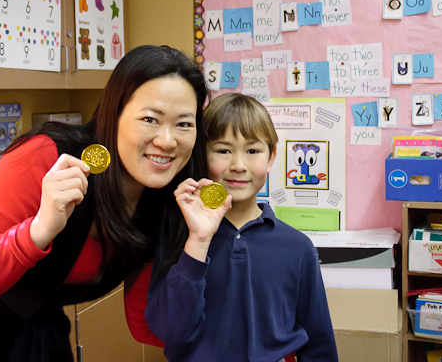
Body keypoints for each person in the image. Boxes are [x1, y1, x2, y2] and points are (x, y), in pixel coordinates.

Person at [0, 45, 210, 362]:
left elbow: (144, 322)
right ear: (114, 115)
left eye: (183, 124)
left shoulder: (165, 203)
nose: (167, 141)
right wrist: (41, 228)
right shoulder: (48, 157)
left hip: (29, 326)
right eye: (150, 119)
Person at [139, 93, 339, 362]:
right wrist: (198, 241)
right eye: (223, 150)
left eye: (253, 151)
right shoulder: (180, 236)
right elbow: (171, 331)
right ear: (202, 154)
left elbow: (319, 343)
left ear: (271, 158)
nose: (238, 166)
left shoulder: (297, 247)